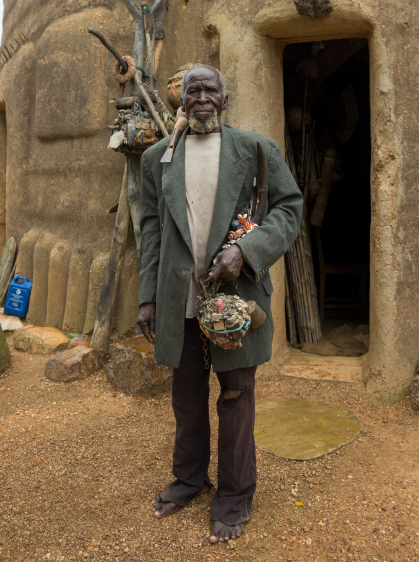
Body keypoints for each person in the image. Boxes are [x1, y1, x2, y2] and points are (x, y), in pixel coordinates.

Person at [136, 65, 302, 543]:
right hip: (179, 300)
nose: (202, 97)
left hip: (238, 303)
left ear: (225, 99)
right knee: (186, 399)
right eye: (193, 91)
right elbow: (150, 229)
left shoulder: (255, 150)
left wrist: (246, 251)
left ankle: (234, 495)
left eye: (210, 89)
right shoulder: (157, 159)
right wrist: (148, 296)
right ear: (181, 101)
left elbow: (289, 208)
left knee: (236, 397)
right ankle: (189, 479)